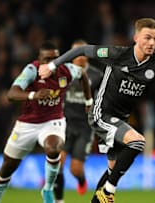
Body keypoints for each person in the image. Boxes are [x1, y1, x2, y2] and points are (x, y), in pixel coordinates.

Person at [39, 18, 155, 203]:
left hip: (120, 120)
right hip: (101, 113)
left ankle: (102, 195)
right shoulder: (117, 54)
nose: (152, 43)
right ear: (136, 37)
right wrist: (52, 66)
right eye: (147, 37)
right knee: (138, 142)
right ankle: (108, 191)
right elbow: (81, 50)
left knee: (113, 169)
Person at [0, 42, 92, 203]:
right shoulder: (31, 70)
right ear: (39, 59)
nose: (51, 63)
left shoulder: (66, 70)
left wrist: (88, 101)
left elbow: (83, 75)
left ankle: (48, 189)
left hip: (53, 121)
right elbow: (11, 94)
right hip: (27, 125)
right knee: (6, 169)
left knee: (53, 148)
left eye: (54, 59)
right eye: (47, 59)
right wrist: (33, 95)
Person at [54, 39, 104, 203]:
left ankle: (81, 180)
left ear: (87, 55)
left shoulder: (97, 75)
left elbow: (104, 100)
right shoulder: (63, 73)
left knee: (75, 169)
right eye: (76, 53)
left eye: (82, 53)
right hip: (65, 124)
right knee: (58, 162)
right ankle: (58, 197)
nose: (79, 57)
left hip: (85, 127)